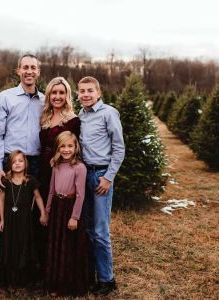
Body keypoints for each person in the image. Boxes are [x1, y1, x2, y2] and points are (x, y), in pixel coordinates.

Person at [78, 76, 125, 295]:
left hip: (100, 176)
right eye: (82, 91)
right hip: (84, 175)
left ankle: (107, 279)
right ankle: (91, 274)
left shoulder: (108, 113)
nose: (85, 94)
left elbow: (119, 148)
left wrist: (108, 177)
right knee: (87, 228)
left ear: (98, 92)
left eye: (90, 90)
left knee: (100, 230)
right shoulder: (81, 115)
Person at [37, 76, 80, 275]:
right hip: (42, 169)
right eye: (54, 92)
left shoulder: (72, 120)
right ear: (49, 95)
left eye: (61, 93)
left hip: (60, 170)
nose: (57, 96)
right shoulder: (44, 117)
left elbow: (73, 150)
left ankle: (61, 267)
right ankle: (44, 264)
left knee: (58, 215)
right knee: (43, 214)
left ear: (67, 95)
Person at [0, 150, 48, 288]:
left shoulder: (30, 180)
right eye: (14, 161)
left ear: (25, 163)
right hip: (9, 218)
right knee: (9, 244)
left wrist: (43, 213)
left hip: (25, 219)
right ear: (9, 164)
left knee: (23, 243)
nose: (17, 164)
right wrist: (2, 219)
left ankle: (24, 276)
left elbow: (38, 197)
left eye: (20, 161)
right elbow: (1, 200)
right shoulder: (6, 180)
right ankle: (9, 277)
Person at [45, 131, 89, 297]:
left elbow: (80, 194)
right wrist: (47, 212)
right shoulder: (56, 165)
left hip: (70, 209)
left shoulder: (79, 167)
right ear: (58, 148)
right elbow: (51, 190)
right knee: (56, 245)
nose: (66, 149)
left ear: (75, 147)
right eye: (62, 146)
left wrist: (74, 217)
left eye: (70, 146)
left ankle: (68, 284)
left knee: (68, 247)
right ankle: (55, 282)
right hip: (57, 207)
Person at [0, 54, 45, 187]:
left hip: (36, 163)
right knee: (10, 205)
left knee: (34, 205)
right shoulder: (5, 97)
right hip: (10, 160)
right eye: (25, 67)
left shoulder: (45, 101)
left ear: (38, 72)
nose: (29, 71)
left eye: (33, 67)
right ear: (18, 71)